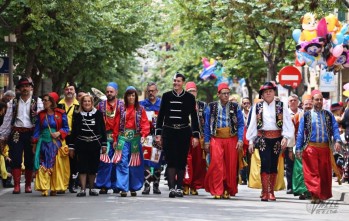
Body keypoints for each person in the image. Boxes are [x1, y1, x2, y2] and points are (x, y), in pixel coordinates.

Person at [246, 81, 294, 201]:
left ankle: (271, 191)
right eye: (266, 92)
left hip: (277, 139)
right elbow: (252, 124)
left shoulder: (281, 106)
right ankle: (265, 191)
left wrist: (286, 137)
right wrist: (251, 141)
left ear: (274, 93)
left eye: (270, 91)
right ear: (262, 95)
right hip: (262, 138)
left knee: (274, 164)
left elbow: (288, 123)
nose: (268, 93)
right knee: (265, 162)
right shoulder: (257, 107)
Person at [155, 73, 200, 198]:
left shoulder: (190, 98)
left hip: (184, 132)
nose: (176, 83)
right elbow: (161, 116)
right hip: (169, 132)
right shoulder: (166, 96)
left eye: (178, 81)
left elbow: (194, 118)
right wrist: (158, 134)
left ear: (183, 83)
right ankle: (171, 188)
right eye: (174, 81)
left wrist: (195, 135)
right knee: (170, 161)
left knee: (181, 160)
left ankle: (179, 187)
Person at [296, 90, 342, 204]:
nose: (319, 102)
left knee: (324, 173)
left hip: (325, 148)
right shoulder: (306, 116)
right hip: (310, 148)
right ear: (312, 101)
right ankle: (315, 195)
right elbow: (301, 133)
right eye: (317, 99)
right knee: (312, 173)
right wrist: (298, 148)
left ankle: (321, 195)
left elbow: (335, 128)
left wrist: (337, 140)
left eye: (321, 99)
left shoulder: (328, 115)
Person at [0, 77, 44, 194]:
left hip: (31, 133)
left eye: (27, 86)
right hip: (16, 133)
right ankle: (17, 186)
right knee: (16, 158)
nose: (25, 88)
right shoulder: (12, 102)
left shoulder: (38, 101)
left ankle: (28, 185)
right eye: (22, 86)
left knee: (29, 159)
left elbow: (41, 119)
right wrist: (2, 135)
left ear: (31, 88)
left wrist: (40, 135)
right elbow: (8, 120)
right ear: (19, 89)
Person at [204, 83, 244, 199]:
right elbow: (207, 125)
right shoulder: (211, 107)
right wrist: (206, 141)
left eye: (228, 93)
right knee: (217, 164)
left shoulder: (235, 107)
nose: (226, 96)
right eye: (224, 93)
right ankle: (217, 189)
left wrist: (240, 139)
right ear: (218, 95)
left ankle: (227, 189)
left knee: (230, 165)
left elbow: (241, 124)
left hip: (231, 138)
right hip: (216, 138)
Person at [112, 86, 150, 197]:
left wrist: (144, 135)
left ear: (136, 97)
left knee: (134, 163)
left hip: (135, 138)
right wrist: (115, 139)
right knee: (122, 162)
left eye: (133, 95)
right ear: (126, 96)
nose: (131, 97)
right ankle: (123, 188)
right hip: (122, 139)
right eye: (129, 95)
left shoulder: (140, 109)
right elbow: (116, 125)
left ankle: (133, 187)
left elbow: (145, 124)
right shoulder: (121, 109)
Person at [69, 94, 107, 197]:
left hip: (95, 144)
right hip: (81, 144)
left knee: (93, 167)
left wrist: (104, 145)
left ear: (92, 102)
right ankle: (82, 189)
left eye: (89, 101)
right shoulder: (77, 115)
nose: (87, 103)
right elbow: (74, 132)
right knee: (82, 167)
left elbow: (103, 130)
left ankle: (92, 188)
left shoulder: (98, 114)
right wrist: (71, 147)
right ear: (82, 103)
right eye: (84, 101)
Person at [32, 93, 70, 196]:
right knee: (43, 163)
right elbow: (37, 130)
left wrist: (59, 133)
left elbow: (67, 129)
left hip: (55, 143)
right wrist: (34, 143)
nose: (44, 102)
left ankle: (55, 187)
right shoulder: (40, 114)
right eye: (43, 100)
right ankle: (44, 187)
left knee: (55, 164)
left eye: (46, 100)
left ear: (52, 101)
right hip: (43, 142)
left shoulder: (61, 113)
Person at [95, 82, 123, 194]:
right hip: (105, 137)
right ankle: (103, 185)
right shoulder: (101, 105)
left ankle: (116, 184)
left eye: (111, 91)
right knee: (104, 161)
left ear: (116, 92)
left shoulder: (121, 105)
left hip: (119, 137)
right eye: (107, 91)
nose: (109, 93)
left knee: (117, 161)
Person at [183, 82, 207, 196]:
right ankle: (185, 184)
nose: (192, 93)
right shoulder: (181, 103)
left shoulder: (202, 106)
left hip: (198, 137)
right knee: (186, 161)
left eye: (193, 91)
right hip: (184, 137)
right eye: (189, 91)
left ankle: (194, 185)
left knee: (198, 162)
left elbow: (207, 123)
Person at [139, 82, 162, 195]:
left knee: (157, 161)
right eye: (149, 91)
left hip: (158, 137)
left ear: (157, 91)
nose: (151, 93)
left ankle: (156, 186)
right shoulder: (142, 104)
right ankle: (147, 185)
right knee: (146, 162)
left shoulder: (162, 104)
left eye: (153, 91)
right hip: (146, 136)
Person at [58, 81, 80, 193]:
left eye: (71, 89)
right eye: (67, 89)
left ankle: (72, 184)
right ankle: (61, 184)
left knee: (73, 161)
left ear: (74, 91)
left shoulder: (79, 105)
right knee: (60, 160)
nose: (69, 91)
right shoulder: (58, 104)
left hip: (74, 136)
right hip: (60, 136)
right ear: (64, 91)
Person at [292, 94, 313, 200]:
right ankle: (302, 191)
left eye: (310, 104)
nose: (308, 106)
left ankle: (310, 190)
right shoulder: (297, 116)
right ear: (302, 105)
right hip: (300, 146)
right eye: (306, 104)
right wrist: (292, 147)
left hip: (313, 147)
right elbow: (293, 132)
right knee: (300, 170)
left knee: (311, 170)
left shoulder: (316, 116)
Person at [285, 94, 301, 194]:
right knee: (289, 165)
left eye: (295, 100)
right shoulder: (285, 113)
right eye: (291, 100)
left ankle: (299, 186)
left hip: (300, 143)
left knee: (299, 166)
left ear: (298, 102)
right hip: (289, 142)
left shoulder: (302, 113)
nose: (293, 102)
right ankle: (290, 186)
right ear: (288, 102)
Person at [240, 97, 251, 185]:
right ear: (242, 105)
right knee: (242, 158)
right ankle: (243, 179)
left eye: (247, 103)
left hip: (251, 139)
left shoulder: (253, 114)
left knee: (251, 159)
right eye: (244, 103)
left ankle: (250, 177)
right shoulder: (240, 114)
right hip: (242, 140)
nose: (246, 105)